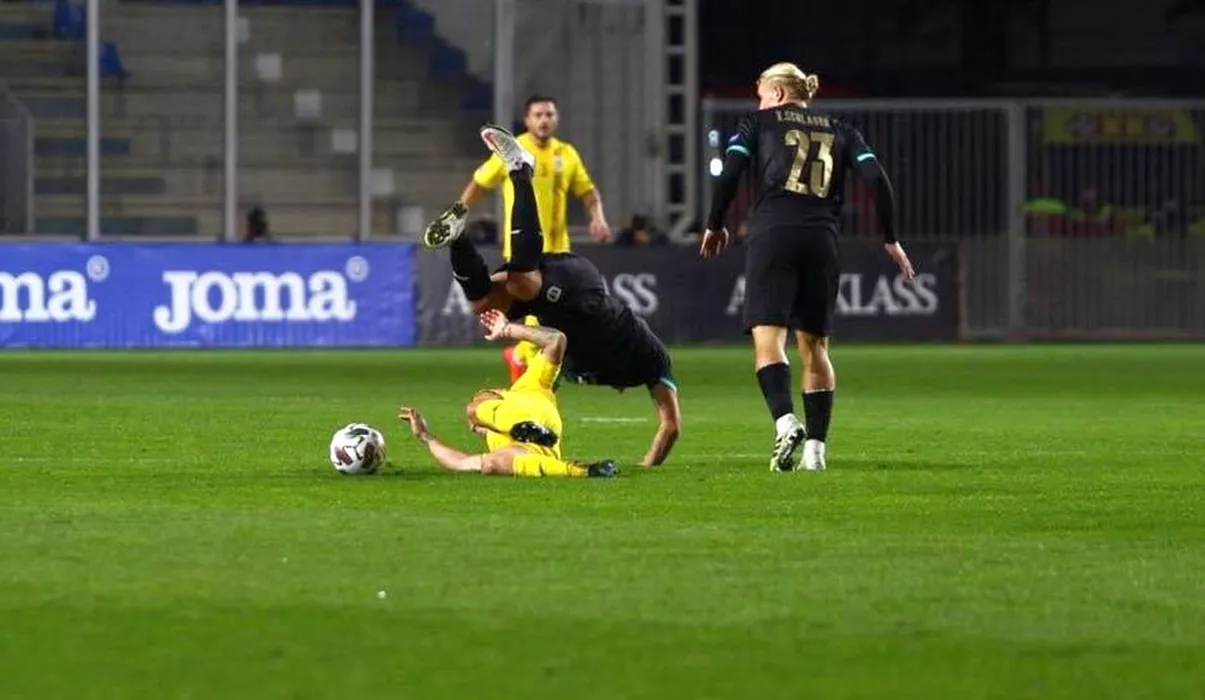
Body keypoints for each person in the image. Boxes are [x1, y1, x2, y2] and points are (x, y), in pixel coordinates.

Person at [424, 124, 681, 467]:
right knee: (521, 280)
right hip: (581, 290)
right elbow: (670, 426)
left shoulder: (572, 369)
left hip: (547, 302)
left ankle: (458, 240)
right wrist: (508, 330)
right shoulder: (653, 358)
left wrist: (497, 430)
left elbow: (533, 389)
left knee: (483, 303)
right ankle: (520, 168)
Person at [700, 62, 914, 472]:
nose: (758, 104)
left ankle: (785, 422)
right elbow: (877, 180)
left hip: (773, 235)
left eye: (761, 95)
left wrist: (715, 223)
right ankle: (815, 452)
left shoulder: (757, 124)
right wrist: (890, 237)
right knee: (815, 347)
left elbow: (730, 173)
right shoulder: (843, 129)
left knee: (768, 339)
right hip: (822, 240)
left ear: (778, 93)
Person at [426, 95, 612, 383]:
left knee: (543, 319)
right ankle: (458, 238)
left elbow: (588, 191)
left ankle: (531, 368)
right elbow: (479, 182)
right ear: (527, 120)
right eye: (538, 114)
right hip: (522, 247)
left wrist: (597, 216)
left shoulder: (567, 154)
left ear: (556, 119)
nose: (544, 120)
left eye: (549, 114)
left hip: (559, 253)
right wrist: (460, 210)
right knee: (490, 305)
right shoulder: (512, 145)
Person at [398, 309, 618, 478]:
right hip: (540, 443)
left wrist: (507, 329)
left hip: (533, 418)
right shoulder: (498, 437)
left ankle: (525, 430)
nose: (475, 427)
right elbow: (460, 462)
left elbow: (556, 340)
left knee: (473, 411)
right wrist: (425, 436)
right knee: (492, 462)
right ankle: (586, 470)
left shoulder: (531, 383)